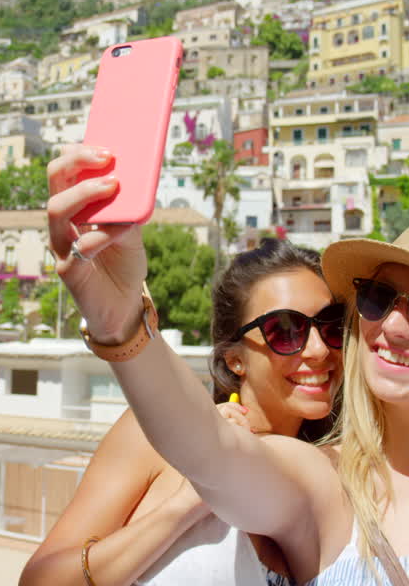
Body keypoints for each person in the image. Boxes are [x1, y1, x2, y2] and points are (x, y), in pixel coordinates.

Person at [47, 143, 409, 586]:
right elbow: (207, 451)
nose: (395, 327)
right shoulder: (324, 483)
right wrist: (122, 324)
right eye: (379, 300)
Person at [20, 238, 345, 586]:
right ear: (235, 359)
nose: (318, 349)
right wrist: (182, 508)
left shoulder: (334, 479)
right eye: (285, 331)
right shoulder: (153, 440)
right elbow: (41, 581)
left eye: (331, 326)